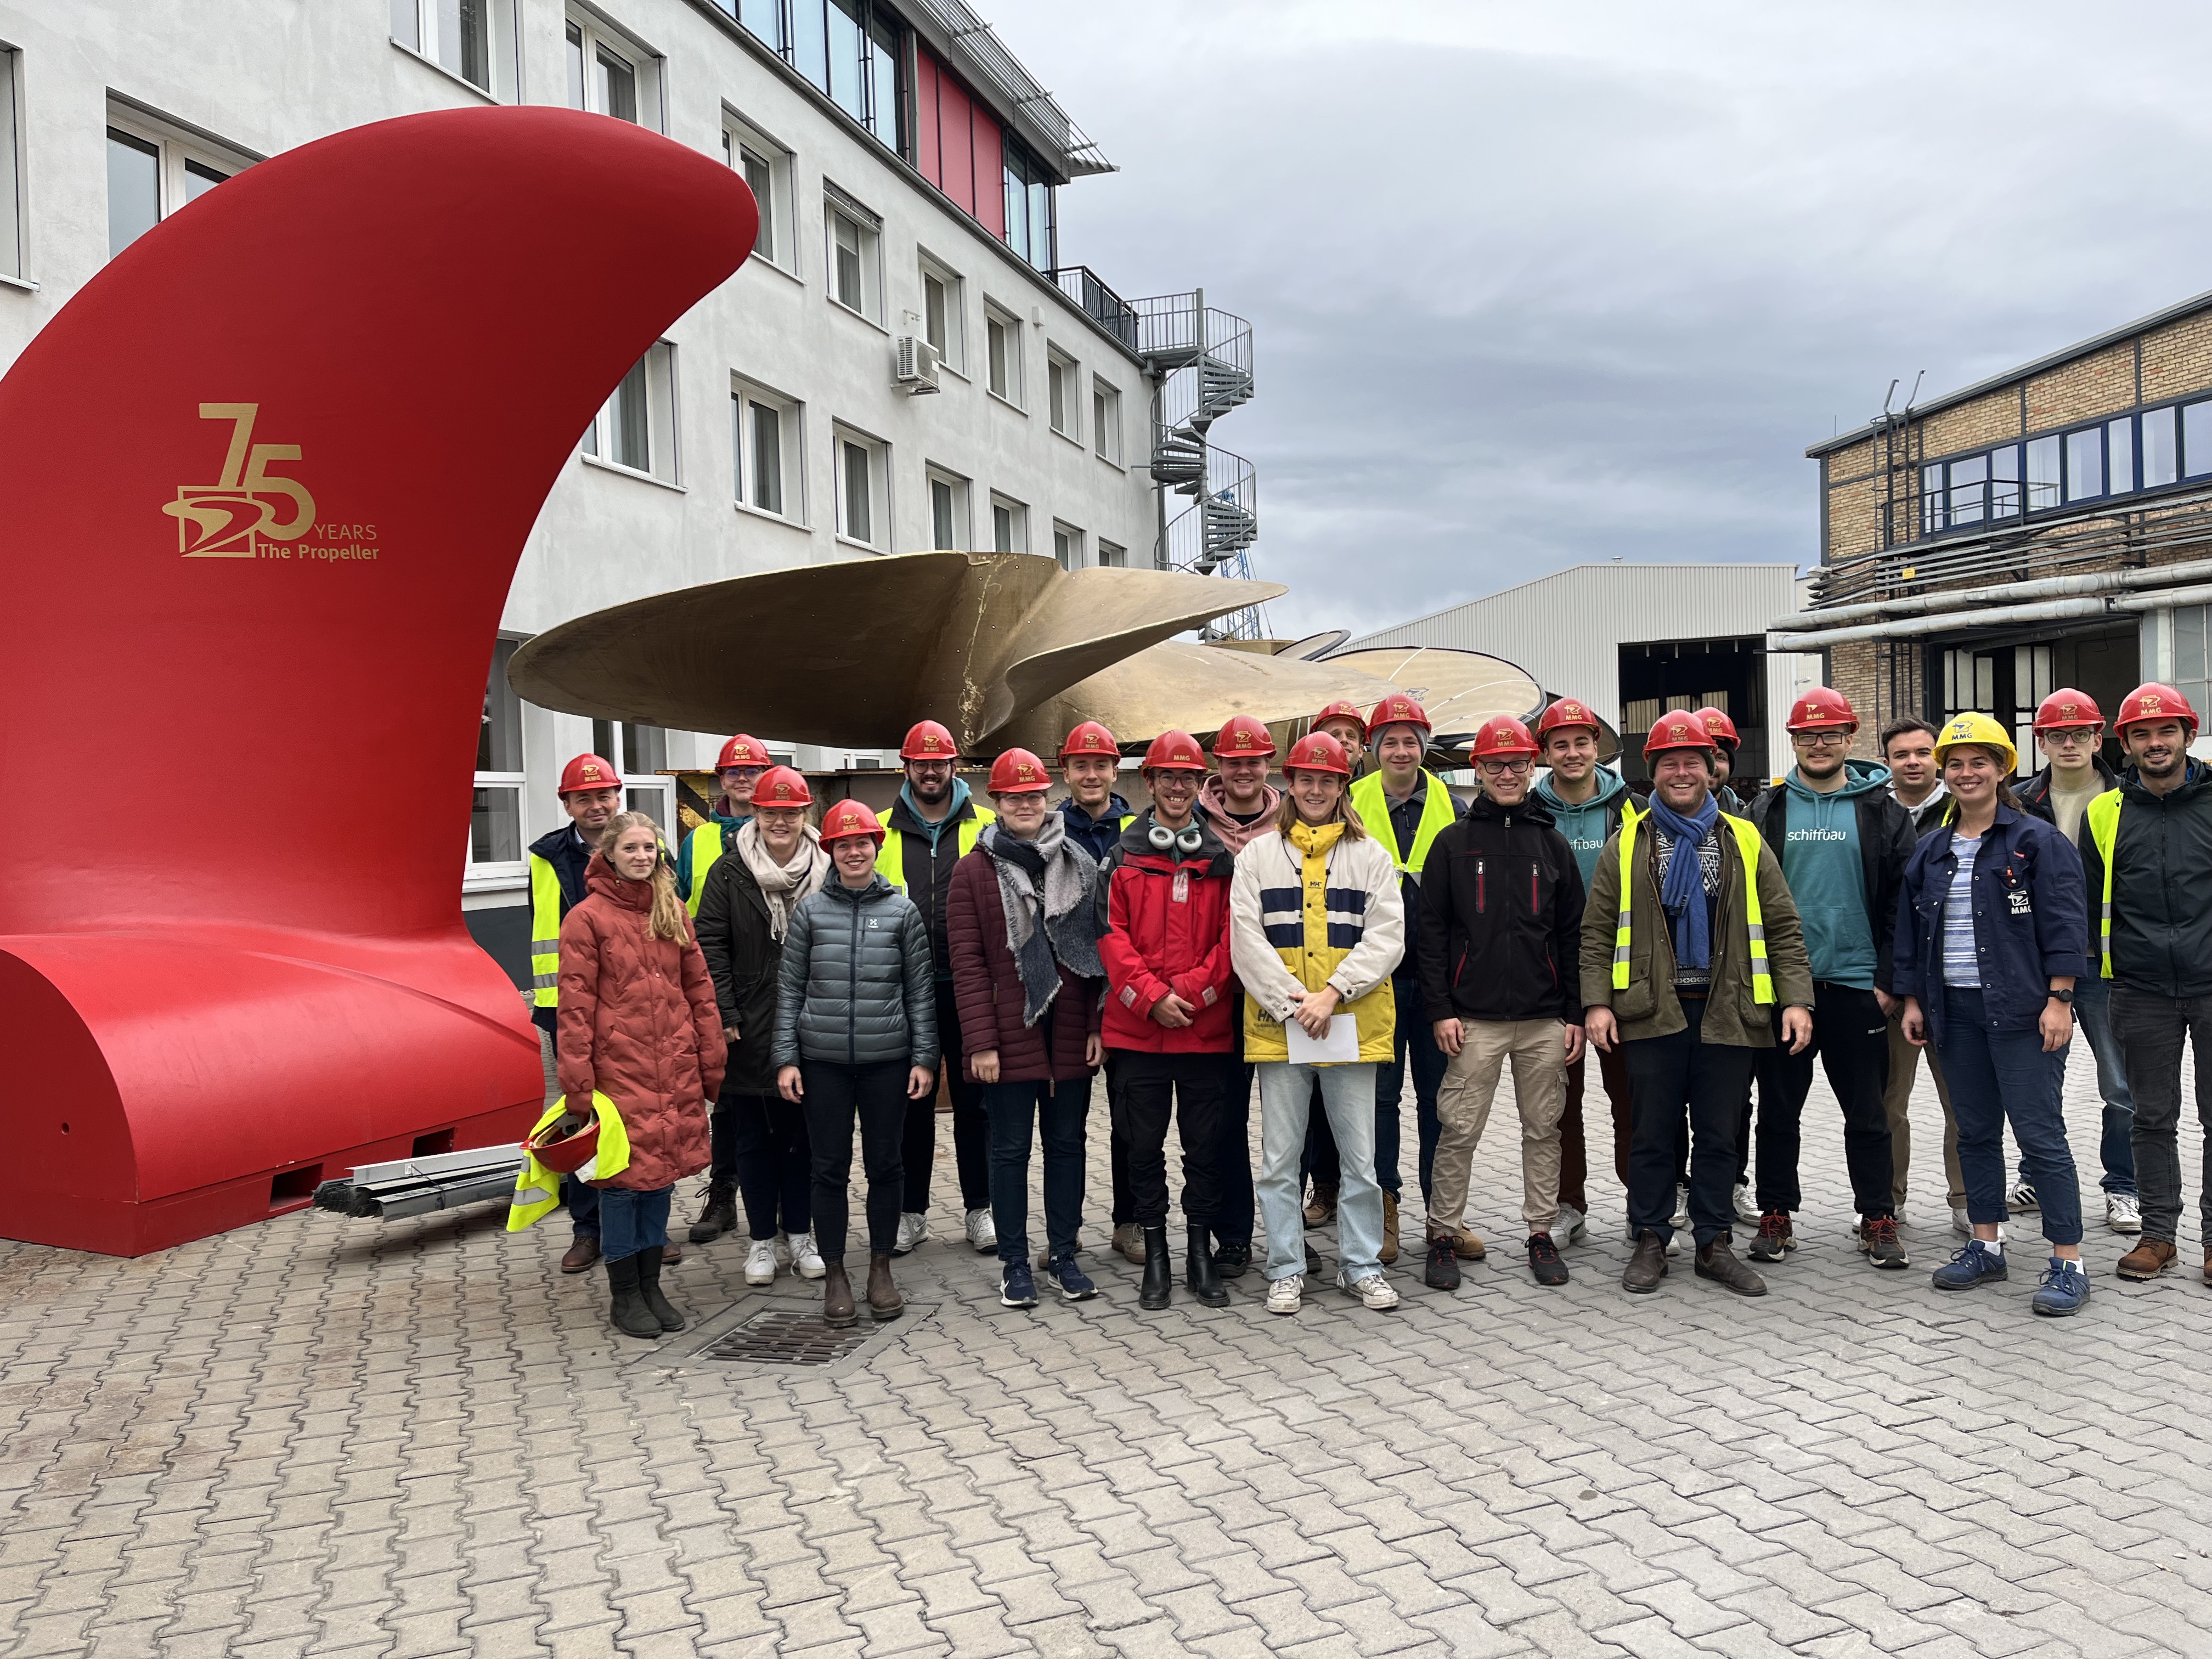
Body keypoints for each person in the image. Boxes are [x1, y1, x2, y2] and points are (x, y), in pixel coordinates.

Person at [1579, 712, 1814, 1298]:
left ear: (1712, 771)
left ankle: (1713, 1243)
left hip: (1728, 1010)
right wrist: (1596, 1004)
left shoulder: (1744, 839)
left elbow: (1783, 927)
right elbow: (1598, 931)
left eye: (1692, 763)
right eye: (1669, 764)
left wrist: (1797, 1001)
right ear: (1652, 773)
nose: (1681, 773)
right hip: (1651, 1011)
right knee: (1653, 1133)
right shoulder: (1627, 842)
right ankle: (1652, 1238)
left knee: (1718, 1134)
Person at [1898, 713, 2090, 1317]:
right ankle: (1987, 1245)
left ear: (2002, 767)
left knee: (2040, 1136)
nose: (1965, 773)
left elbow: (2065, 924)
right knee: (1975, 1131)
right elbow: (1909, 932)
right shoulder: (1930, 849)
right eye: (1954, 764)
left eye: (1978, 762)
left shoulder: (2036, 842)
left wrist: (2060, 999)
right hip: (1953, 1013)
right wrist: (1912, 999)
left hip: (2024, 1011)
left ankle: (2069, 1260)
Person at [1233, 731, 1406, 1315]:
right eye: (1306, 779)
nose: (1315, 789)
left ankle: (1358, 1265)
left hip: (1349, 1023)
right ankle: (1285, 1266)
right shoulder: (1256, 856)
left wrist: (1331, 994)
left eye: (1327, 780)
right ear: (1290, 783)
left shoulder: (1372, 857)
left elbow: (1387, 937)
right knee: (1281, 1161)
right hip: (1281, 1027)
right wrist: (1294, 1003)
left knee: (1360, 1161)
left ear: (1341, 787)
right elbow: (1245, 941)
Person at [1744, 689, 1916, 1271]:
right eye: (1807, 735)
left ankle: (1877, 1216)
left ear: (1850, 737)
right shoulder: (1766, 812)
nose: (1819, 744)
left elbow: (1903, 905)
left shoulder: (1883, 812)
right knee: (1777, 1111)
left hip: (1858, 988)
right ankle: (1776, 1214)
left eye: (1831, 734)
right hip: (1786, 991)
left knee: (1867, 1112)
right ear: (1793, 741)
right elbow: (1746, 907)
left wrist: (1889, 980)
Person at [1418, 716, 1585, 1290]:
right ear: (1479, 771)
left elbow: (1572, 935)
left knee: (1544, 1130)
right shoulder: (1453, 844)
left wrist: (1576, 1016)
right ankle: (1443, 1234)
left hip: (1543, 1020)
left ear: (1532, 768)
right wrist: (1441, 1009)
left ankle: (1540, 1233)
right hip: (1473, 1020)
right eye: (1496, 765)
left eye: (1517, 764)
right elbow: (1432, 933)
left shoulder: (1552, 845)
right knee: (1458, 1130)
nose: (1508, 774)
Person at [556, 811, 726, 1339]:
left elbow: (699, 988)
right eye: (630, 848)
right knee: (622, 1186)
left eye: (649, 848)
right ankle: (624, 1293)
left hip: (671, 1067)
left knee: (660, 1180)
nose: (641, 857)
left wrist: (710, 1056)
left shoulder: (671, 910)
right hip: (617, 1074)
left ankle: (651, 1284)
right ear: (609, 854)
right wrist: (578, 1085)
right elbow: (576, 1008)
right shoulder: (585, 919)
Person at [948, 749, 1105, 1309]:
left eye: (1034, 796)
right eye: (1014, 798)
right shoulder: (972, 871)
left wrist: (1092, 1025)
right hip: (1008, 1036)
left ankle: (1063, 1255)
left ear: (1048, 799)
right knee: (1009, 1152)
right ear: (997, 802)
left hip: (1068, 1033)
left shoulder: (1079, 863)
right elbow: (966, 964)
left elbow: (1091, 954)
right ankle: (1015, 1264)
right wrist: (981, 1044)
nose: (1026, 805)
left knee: (1067, 1147)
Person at [775, 800, 938, 1327]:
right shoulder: (810, 912)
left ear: (876, 847)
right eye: (842, 844)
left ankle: (881, 1268)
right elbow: (790, 990)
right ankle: (839, 1273)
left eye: (861, 842)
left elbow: (920, 993)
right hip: (822, 1063)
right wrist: (786, 1058)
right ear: (830, 851)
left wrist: (924, 1058)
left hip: (887, 1061)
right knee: (828, 1169)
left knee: (887, 1165)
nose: (853, 852)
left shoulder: (902, 911)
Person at [1096, 731, 1237, 1311]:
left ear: (1200, 785)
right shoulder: (1121, 857)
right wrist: (1152, 997)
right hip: (1138, 1035)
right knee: (1142, 1151)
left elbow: (1234, 939)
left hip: (1204, 1032)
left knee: (1204, 1151)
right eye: (1167, 777)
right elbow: (1109, 936)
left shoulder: (1221, 860)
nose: (1178, 788)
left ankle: (1199, 1253)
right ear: (1148, 783)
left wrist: (1192, 994)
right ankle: (1156, 1254)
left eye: (1188, 778)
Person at [2082, 684, 2212, 1286]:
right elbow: (2084, 902)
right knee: (2152, 1117)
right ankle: (2159, 1237)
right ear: (2126, 743)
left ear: (2188, 734)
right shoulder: (2104, 812)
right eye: (2141, 734)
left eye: (2166, 732)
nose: (2155, 743)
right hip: (2139, 990)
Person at [691, 766, 828, 1282]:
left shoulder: (829, 868)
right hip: (747, 1027)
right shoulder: (729, 873)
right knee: (752, 1140)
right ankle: (761, 1243)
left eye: (790, 813)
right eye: (771, 812)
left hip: (814, 1023)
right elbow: (711, 946)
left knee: (802, 1139)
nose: (780, 822)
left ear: (804, 814)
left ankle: (801, 1234)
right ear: (757, 813)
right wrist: (725, 1014)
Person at [2013, 690, 2137, 1234]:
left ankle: (2124, 1186)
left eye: (2081, 734)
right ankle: (2037, 1176)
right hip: (2036, 967)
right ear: (2040, 741)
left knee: (2122, 1086)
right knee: (2038, 1083)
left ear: (2099, 737)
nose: (2069, 744)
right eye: (2058, 735)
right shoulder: (2016, 801)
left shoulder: (2128, 798)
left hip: (2108, 967)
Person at [875, 719, 996, 1256]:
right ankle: (911, 1213)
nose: (930, 771)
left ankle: (980, 1210)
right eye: (920, 762)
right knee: (911, 1105)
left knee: (976, 1106)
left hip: (971, 989)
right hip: (904, 993)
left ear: (955, 766)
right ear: (907, 767)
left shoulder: (989, 825)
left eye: (939, 762)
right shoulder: (878, 829)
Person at [1348, 693, 1455, 1266]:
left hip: (1437, 985)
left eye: (1410, 740)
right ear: (1373, 748)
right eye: (1389, 740)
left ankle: (1443, 1218)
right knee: (1380, 1102)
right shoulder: (1351, 804)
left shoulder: (1453, 806)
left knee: (1440, 1104)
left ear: (1424, 747)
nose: (1400, 750)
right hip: (1376, 982)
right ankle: (1384, 1211)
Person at [1533, 696, 1639, 1250]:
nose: (1571, 754)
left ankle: (1642, 1204)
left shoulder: (1631, 809)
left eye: (1581, 742)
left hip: (1622, 976)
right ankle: (1568, 1203)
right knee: (1558, 1104)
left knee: (1631, 1099)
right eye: (1560, 745)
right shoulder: (1529, 812)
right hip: (1551, 980)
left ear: (1597, 747)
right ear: (1544, 752)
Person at [1874, 716, 1972, 1234]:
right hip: (1896, 986)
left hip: (1956, 983)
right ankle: (1889, 1201)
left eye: (1922, 752)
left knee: (1963, 1100)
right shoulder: (1873, 812)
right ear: (1886, 760)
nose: (1913, 761)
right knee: (1890, 1100)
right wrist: (1888, 979)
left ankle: (1967, 1199)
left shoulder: (1967, 808)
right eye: (1901, 753)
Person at [1195, 714, 1283, 1282]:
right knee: (1223, 1122)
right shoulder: (1194, 826)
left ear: (1267, 766)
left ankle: (1288, 1236)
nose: (1244, 770)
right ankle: (1232, 1237)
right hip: (1219, 997)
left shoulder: (1293, 821)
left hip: (1281, 993)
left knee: (1287, 1123)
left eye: (1254, 761)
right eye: (1234, 762)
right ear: (1219, 769)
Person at [1054, 720, 1146, 1268]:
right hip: (1067, 994)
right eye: (1081, 766)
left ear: (1116, 771)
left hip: (1126, 991)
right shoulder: (1044, 831)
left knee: (1130, 1117)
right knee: (1065, 1123)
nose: (1091, 775)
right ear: (1065, 772)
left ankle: (1129, 1222)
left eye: (1101, 765)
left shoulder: (1139, 831)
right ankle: (1063, 1235)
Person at [528, 753, 622, 1276]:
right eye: (583, 797)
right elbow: (544, 933)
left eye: (604, 795)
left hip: (632, 1008)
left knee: (636, 1118)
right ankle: (588, 1232)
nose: (596, 805)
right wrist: (556, 1009)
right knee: (581, 1117)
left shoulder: (642, 846)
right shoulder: (547, 857)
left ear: (618, 798)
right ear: (567, 803)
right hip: (571, 1010)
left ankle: (645, 1230)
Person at [1300, 699, 1373, 1230]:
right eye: (1332, 734)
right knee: (1300, 1125)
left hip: (1363, 991)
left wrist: (1336, 989)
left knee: (1364, 1122)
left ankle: (1370, 1224)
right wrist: (1303, 998)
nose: (1341, 743)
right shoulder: (1278, 838)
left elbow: (1385, 920)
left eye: (1350, 736)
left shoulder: (1361, 821)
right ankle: (1321, 1192)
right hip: (1292, 1003)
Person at [679, 733, 768, 917]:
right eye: (733, 772)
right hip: (707, 944)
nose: (742, 778)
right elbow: (676, 903)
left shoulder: (778, 834)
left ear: (765, 778)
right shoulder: (695, 840)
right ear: (723, 781)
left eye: (751, 771)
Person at [1696, 707, 1758, 812]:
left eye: (1720, 758)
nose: (1712, 767)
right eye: (1703, 757)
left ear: (1731, 765)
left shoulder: (1746, 818)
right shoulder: (1659, 820)